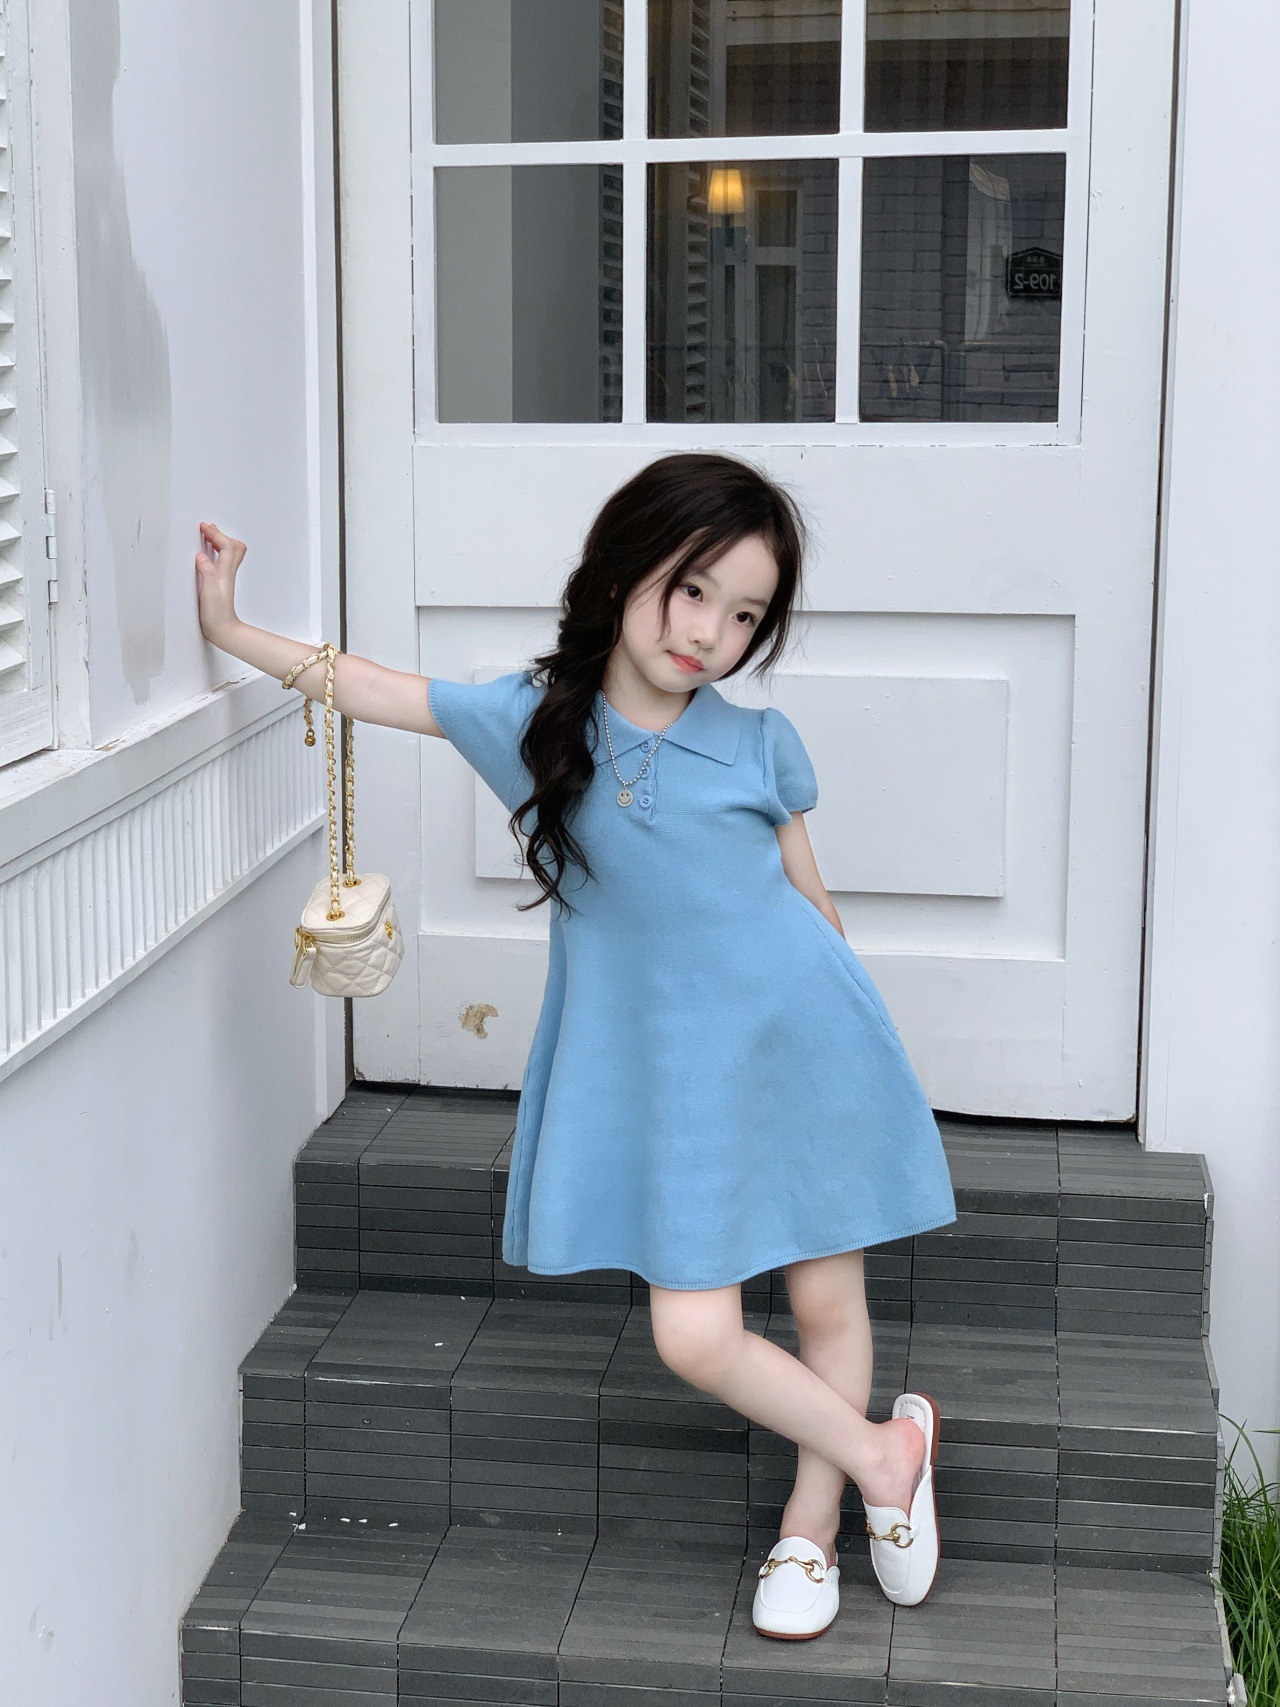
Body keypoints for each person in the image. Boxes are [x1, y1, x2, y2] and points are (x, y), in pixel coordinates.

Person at [195, 450, 957, 1638]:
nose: (707, 632)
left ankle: (810, 1527)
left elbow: (811, 906)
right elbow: (373, 688)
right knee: (694, 1333)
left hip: (805, 1040)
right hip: (677, 1075)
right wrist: (228, 625)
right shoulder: (532, 722)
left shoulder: (759, 743)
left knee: (825, 1300)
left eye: (743, 614)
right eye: (690, 590)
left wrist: (852, 1047)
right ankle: (885, 1453)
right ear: (619, 572)